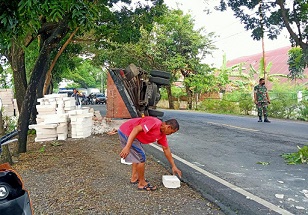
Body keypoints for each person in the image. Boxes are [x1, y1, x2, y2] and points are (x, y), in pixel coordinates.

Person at [118, 116, 182, 191]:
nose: (170, 134)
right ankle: (141, 183)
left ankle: (134, 178)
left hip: (133, 136)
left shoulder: (162, 135)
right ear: (168, 127)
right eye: (171, 132)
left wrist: (173, 166)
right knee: (141, 157)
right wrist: (127, 147)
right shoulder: (154, 123)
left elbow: (166, 149)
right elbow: (136, 129)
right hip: (127, 131)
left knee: (137, 155)